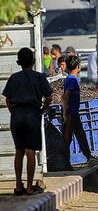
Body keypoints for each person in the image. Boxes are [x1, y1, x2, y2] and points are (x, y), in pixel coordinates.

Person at [2, 48, 52, 196]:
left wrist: (15, 112)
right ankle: (30, 187)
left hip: (17, 116)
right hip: (33, 114)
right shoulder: (39, 77)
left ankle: (18, 186)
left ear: (18, 62)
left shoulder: (14, 78)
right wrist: (42, 110)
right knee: (30, 151)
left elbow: (8, 99)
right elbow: (49, 97)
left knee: (19, 151)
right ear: (34, 61)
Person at [62, 55, 98, 167]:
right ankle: (84, 158)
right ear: (79, 67)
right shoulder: (72, 80)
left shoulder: (71, 79)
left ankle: (69, 162)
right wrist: (66, 114)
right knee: (73, 137)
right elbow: (65, 97)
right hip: (71, 114)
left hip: (72, 113)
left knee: (74, 137)